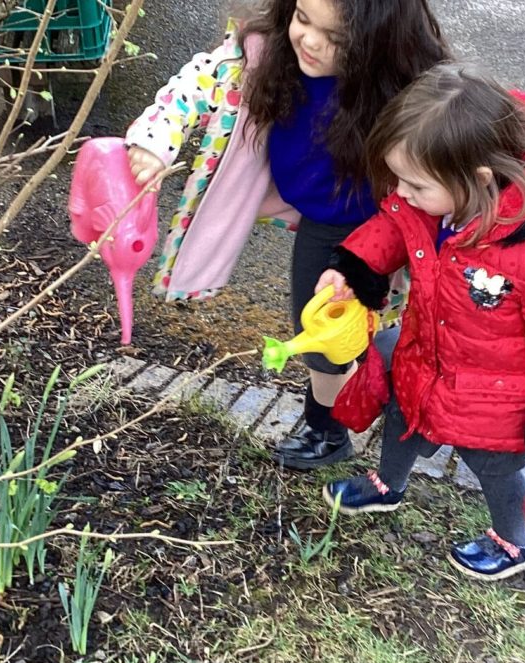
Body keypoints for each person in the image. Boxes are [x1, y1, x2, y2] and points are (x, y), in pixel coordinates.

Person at [124, 0, 450, 470]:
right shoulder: (263, 52)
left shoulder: (412, 90)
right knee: (321, 329)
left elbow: (464, 147)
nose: (310, 41)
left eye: (335, 38)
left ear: (379, 44)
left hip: (377, 221)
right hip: (320, 211)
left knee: (334, 330)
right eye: (302, 18)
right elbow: (194, 85)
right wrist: (155, 141)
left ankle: (334, 423)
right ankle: (332, 426)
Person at [319, 62, 525, 580]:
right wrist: (355, 268)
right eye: (397, 179)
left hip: (495, 395)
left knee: (494, 468)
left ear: (477, 178)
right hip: (427, 357)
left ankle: (513, 540)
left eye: (414, 184)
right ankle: (388, 484)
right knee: (402, 419)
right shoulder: (436, 198)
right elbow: (395, 226)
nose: (401, 192)